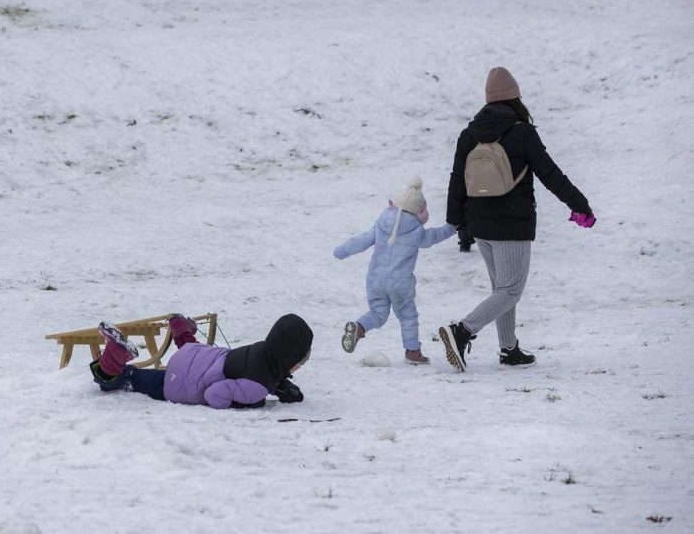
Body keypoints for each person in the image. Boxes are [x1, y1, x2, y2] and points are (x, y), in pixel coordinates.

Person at [439, 67, 595, 372]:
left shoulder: (469, 135)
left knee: (502, 289)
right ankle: (462, 331)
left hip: (480, 225)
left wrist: (457, 222)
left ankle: (509, 350)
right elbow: (551, 175)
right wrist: (580, 206)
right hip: (512, 225)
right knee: (510, 290)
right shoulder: (522, 132)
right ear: (515, 97)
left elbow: (457, 179)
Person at [333, 177, 457, 365]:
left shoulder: (382, 223)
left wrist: (341, 251)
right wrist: (453, 227)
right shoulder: (416, 230)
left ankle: (359, 327)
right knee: (408, 316)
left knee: (378, 313)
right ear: (419, 211)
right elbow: (435, 236)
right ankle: (413, 352)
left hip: (375, 280)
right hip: (400, 283)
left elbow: (361, 241)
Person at [89, 313, 312, 408]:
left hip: (195, 354)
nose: (301, 365)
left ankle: (182, 333)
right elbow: (213, 395)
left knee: (201, 356)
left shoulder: (261, 351)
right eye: (301, 360)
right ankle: (113, 361)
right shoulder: (258, 387)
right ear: (288, 358)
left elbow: (257, 375)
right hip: (179, 382)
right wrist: (251, 403)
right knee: (129, 379)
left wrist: (280, 385)